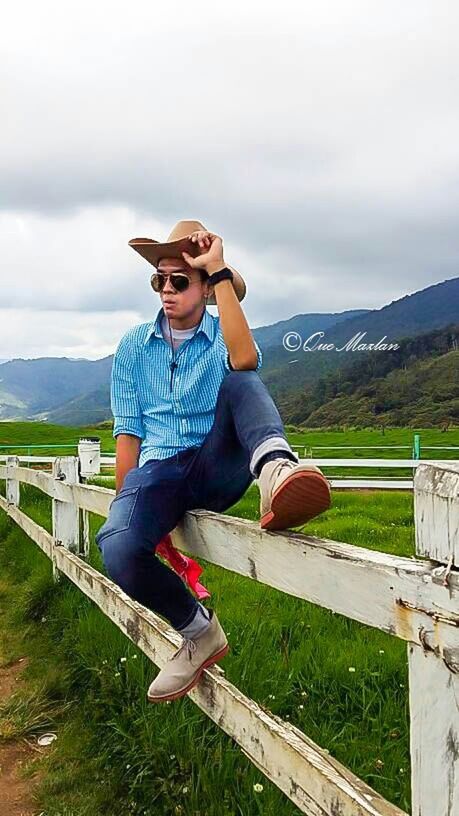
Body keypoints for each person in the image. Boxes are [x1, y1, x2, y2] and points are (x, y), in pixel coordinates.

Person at [95, 220, 331, 703]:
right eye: (158, 280)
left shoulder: (221, 333)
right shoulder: (133, 346)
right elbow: (128, 431)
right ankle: (200, 632)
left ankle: (276, 470)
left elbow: (245, 361)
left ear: (204, 286)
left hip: (213, 464)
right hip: (158, 472)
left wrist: (220, 270)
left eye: (180, 280)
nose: (166, 290)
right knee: (117, 545)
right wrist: (131, 509)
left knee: (242, 380)